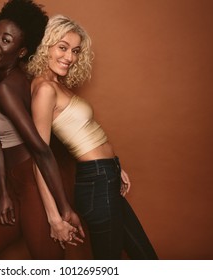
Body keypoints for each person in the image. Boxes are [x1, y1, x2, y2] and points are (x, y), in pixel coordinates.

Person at [27, 14, 158, 259]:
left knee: (144, 257)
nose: (69, 57)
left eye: (75, 51)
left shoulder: (57, 85)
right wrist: (54, 218)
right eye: (62, 48)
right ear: (46, 46)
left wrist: (114, 166)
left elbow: (84, 132)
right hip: (96, 182)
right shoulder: (45, 89)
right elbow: (39, 157)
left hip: (105, 175)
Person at [0, 1, 84, 260]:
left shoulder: (9, 87)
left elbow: (41, 150)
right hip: (16, 184)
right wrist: (4, 194)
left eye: (6, 40)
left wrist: (63, 209)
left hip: (35, 183)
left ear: (21, 52)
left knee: (48, 264)